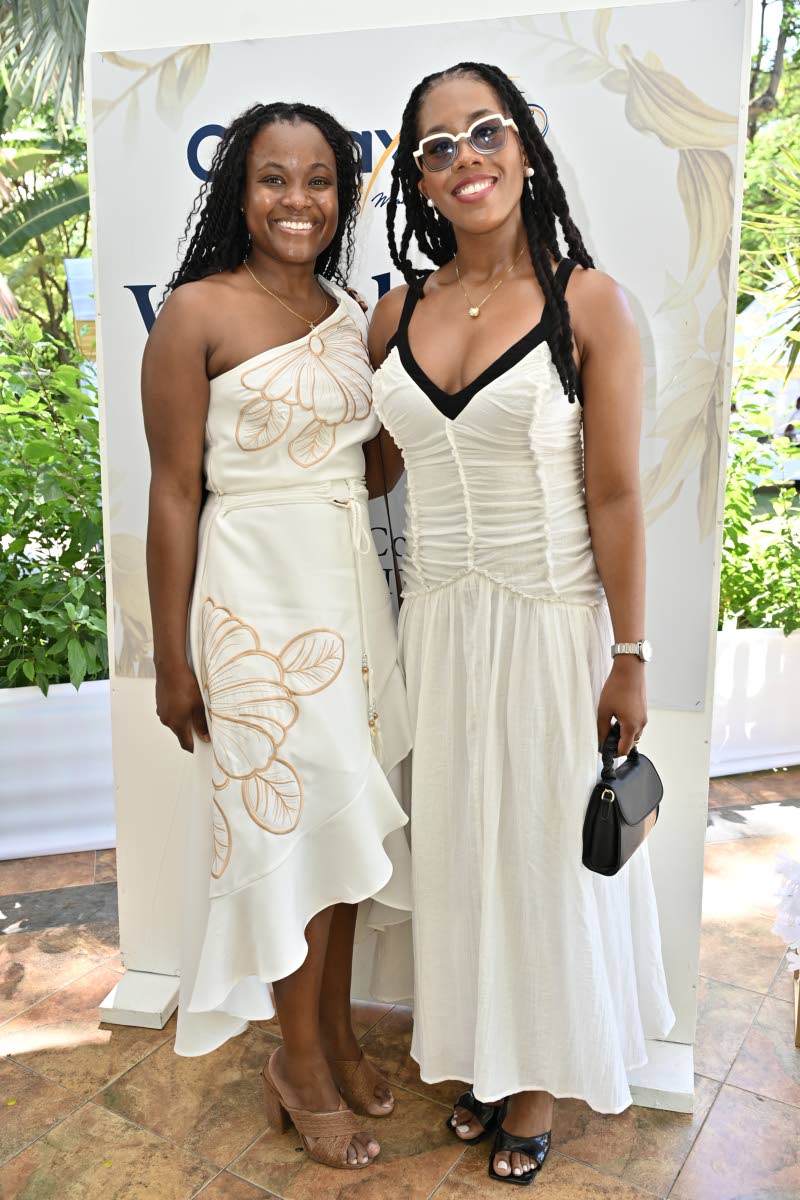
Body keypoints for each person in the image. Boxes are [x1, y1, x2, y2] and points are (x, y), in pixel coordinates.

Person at [369, 62, 675, 1185]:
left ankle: (536, 1082)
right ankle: (486, 1057)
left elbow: (614, 495)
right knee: (459, 852)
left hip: (550, 631)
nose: (465, 158)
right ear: (417, 177)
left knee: (544, 857)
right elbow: (368, 471)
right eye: (436, 146)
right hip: (436, 632)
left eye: (483, 131)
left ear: (526, 150)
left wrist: (629, 656)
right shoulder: (395, 312)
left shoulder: (585, 301)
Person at [141, 100, 413, 1171]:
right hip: (254, 604)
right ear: (237, 192)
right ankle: (293, 1063)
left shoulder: (353, 312)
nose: (296, 200)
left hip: (349, 601)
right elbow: (172, 496)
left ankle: (334, 1034)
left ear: (342, 197)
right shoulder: (195, 313)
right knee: (287, 837)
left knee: (344, 829)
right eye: (271, 178)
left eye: (317, 180)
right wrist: (173, 657)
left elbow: (368, 464)